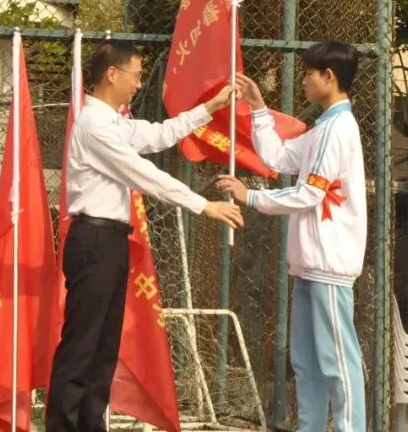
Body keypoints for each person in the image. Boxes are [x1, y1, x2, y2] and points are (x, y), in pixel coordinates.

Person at [47, 40, 245, 432]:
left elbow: (158, 135)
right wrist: (203, 205)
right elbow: (144, 174)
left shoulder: (114, 122)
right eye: (136, 75)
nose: (139, 84)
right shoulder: (93, 125)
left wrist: (210, 108)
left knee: (103, 350)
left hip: (111, 242)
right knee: (82, 346)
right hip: (93, 240)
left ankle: (89, 425)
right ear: (112, 74)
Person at [215, 41, 366, 432]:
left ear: (328, 77)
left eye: (308, 73)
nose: (303, 81)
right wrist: (258, 107)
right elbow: (278, 157)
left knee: (336, 362)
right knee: (308, 362)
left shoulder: (338, 130)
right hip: (309, 265)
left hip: (330, 264)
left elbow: (309, 193)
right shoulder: (322, 129)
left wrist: (251, 197)